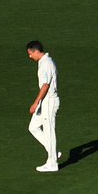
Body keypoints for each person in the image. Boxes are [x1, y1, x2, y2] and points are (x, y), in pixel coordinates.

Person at [26, 40, 62, 173]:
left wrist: (35, 103)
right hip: (45, 102)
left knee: (49, 130)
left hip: (49, 102)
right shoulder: (46, 62)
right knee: (33, 127)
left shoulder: (46, 64)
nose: (30, 57)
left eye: (30, 54)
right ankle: (53, 151)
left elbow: (45, 86)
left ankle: (52, 163)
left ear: (36, 51)